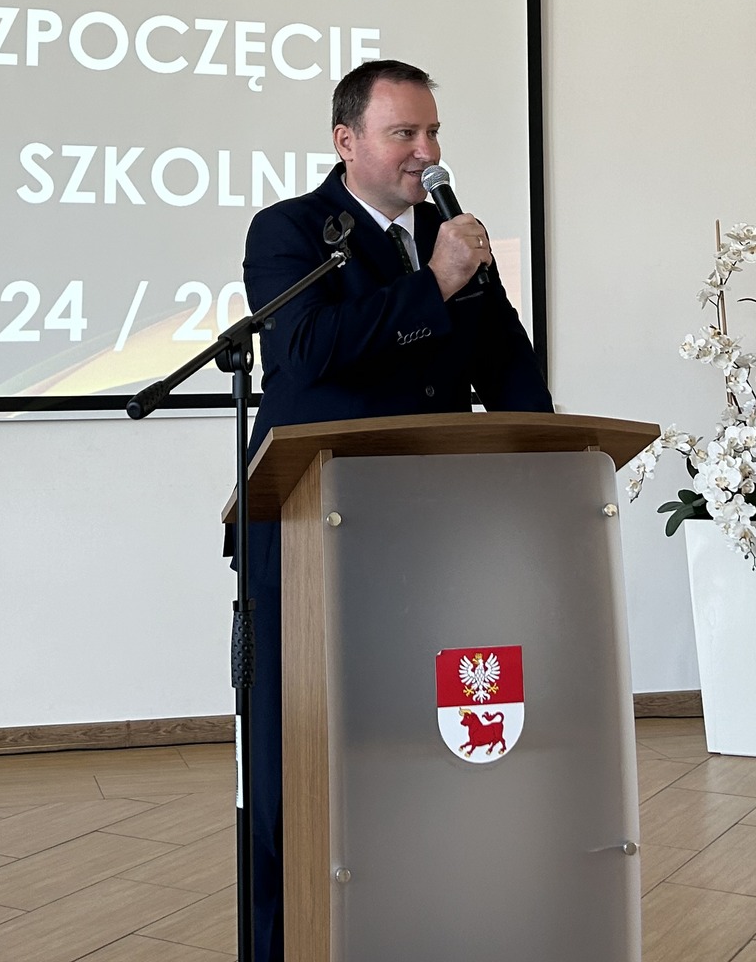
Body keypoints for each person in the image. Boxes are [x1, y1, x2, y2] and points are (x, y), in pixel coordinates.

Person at [234, 58, 551, 962]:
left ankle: (416, 924)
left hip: (431, 535)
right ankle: (291, 943)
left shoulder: (453, 238)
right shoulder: (292, 231)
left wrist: (551, 461)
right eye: (403, 133)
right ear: (347, 141)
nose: (426, 150)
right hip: (309, 530)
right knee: (299, 763)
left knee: (416, 750)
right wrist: (433, 287)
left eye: (433, 131)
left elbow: (509, 367)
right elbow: (304, 353)